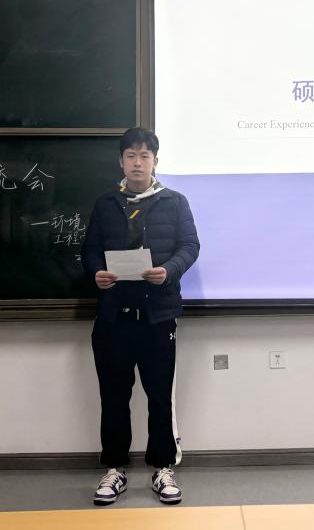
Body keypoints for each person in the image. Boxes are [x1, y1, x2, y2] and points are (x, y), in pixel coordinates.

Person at [81, 127, 200, 506]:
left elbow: (190, 246)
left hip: (157, 317)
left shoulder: (174, 202)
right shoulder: (105, 203)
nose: (137, 162)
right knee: (114, 397)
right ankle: (114, 469)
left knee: (160, 397)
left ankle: (163, 468)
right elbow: (90, 250)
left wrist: (169, 271)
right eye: (131, 155)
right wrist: (96, 273)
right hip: (113, 317)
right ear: (121, 161)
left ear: (155, 161)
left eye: (144, 156)